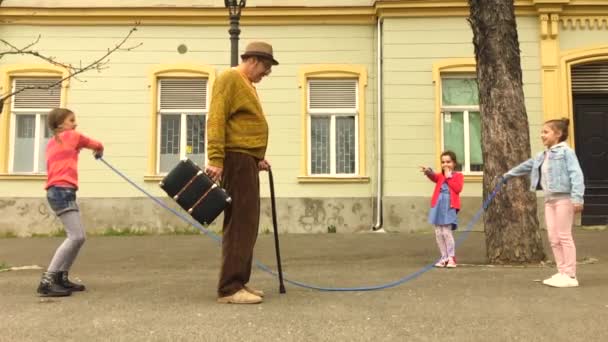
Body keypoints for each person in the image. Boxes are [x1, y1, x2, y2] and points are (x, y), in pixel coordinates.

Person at [205, 41, 278, 304]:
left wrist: (257, 157)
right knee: (239, 223)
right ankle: (229, 288)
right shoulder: (229, 78)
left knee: (248, 223)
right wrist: (216, 158)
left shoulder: (247, 84)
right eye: (266, 68)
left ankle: (240, 282)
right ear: (254, 60)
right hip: (235, 160)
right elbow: (216, 118)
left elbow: (242, 125)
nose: (266, 74)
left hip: (245, 159)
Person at [503, 118, 584, 288]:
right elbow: (527, 166)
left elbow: (576, 174)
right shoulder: (543, 155)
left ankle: (570, 275)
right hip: (550, 200)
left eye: (546, 132)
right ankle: (561, 271)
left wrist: (577, 198)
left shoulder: (566, 152)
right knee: (553, 238)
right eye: (542, 132)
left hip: (564, 198)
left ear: (558, 134)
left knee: (564, 236)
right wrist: (507, 175)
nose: (542, 135)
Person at [37, 108, 104, 297]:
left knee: (79, 237)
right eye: (71, 120)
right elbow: (96, 144)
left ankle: (60, 277)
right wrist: (99, 151)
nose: (75, 123)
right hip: (61, 191)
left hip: (57, 191)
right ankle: (48, 281)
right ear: (60, 124)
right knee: (75, 236)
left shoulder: (52, 143)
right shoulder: (72, 136)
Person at [420, 151, 464, 268]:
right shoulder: (440, 176)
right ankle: (444, 257)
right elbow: (433, 176)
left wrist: (449, 177)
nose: (445, 164)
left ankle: (451, 257)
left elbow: (457, 189)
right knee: (438, 232)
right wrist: (428, 171)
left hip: (449, 206)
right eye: (443, 162)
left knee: (446, 232)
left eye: (448, 162)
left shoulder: (458, 176)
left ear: (454, 163)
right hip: (438, 206)